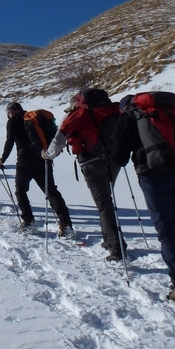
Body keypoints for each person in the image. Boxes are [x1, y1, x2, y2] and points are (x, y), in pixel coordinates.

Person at [112, 92, 175, 304]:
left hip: (153, 177)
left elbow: (119, 157)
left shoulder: (127, 119)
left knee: (166, 229)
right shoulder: (168, 111)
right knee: (174, 222)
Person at [43, 90, 124, 262]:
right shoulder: (111, 109)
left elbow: (59, 139)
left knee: (104, 203)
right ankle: (108, 240)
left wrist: (48, 155)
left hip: (91, 161)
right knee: (106, 200)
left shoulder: (78, 114)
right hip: (114, 160)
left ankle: (117, 248)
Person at [0, 102, 74, 237]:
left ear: (10, 112)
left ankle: (28, 222)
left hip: (25, 160)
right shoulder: (35, 119)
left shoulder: (13, 120)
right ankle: (66, 225)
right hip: (43, 157)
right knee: (50, 190)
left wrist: (2, 159)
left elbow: (9, 141)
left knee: (20, 190)